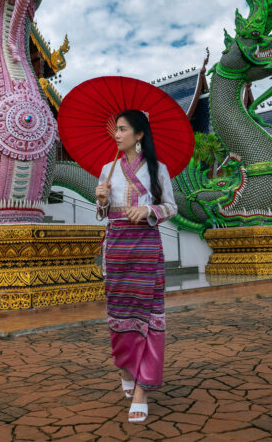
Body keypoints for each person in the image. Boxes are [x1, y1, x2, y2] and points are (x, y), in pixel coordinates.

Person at [94, 109, 177, 424]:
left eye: (123, 129)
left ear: (139, 134)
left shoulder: (158, 169)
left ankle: (142, 390)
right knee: (119, 315)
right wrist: (101, 200)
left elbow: (171, 207)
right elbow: (102, 213)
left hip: (146, 249)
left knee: (149, 317)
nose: (116, 135)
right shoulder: (108, 169)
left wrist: (149, 210)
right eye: (115, 129)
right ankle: (126, 369)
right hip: (117, 250)